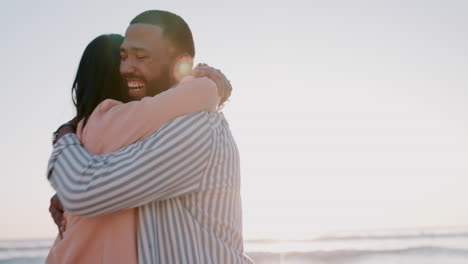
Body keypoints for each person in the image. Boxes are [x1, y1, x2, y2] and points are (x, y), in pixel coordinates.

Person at [48, 10, 253, 263]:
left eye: (141, 56)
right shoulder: (146, 127)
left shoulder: (196, 127)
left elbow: (84, 191)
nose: (125, 68)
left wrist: (65, 138)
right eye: (123, 57)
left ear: (181, 62)